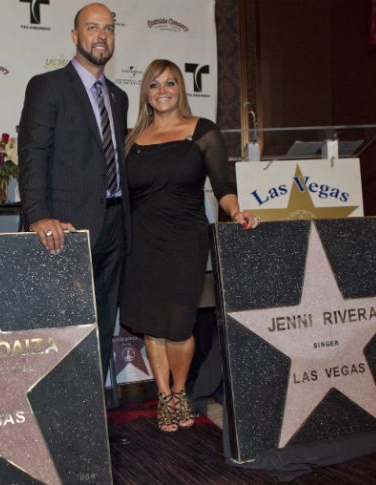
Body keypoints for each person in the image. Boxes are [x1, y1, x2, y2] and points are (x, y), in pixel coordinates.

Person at [119, 59, 258, 434]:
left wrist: (236, 211)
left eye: (170, 83)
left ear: (181, 88)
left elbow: (223, 184)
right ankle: (165, 396)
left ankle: (181, 390)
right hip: (142, 243)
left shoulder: (202, 132)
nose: (162, 91)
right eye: (154, 85)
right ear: (145, 93)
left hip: (185, 240)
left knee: (179, 325)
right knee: (152, 325)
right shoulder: (131, 139)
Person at [17, 3, 131, 444]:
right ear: (74, 35)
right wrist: (38, 214)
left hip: (115, 225)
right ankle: (50, 420)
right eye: (92, 27)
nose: (101, 35)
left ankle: (88, 416)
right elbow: (33, 153)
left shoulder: (118, 97)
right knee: (61, 326)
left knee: (102, 323)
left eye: (108, 28)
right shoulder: (48, 87)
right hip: (63, 229)